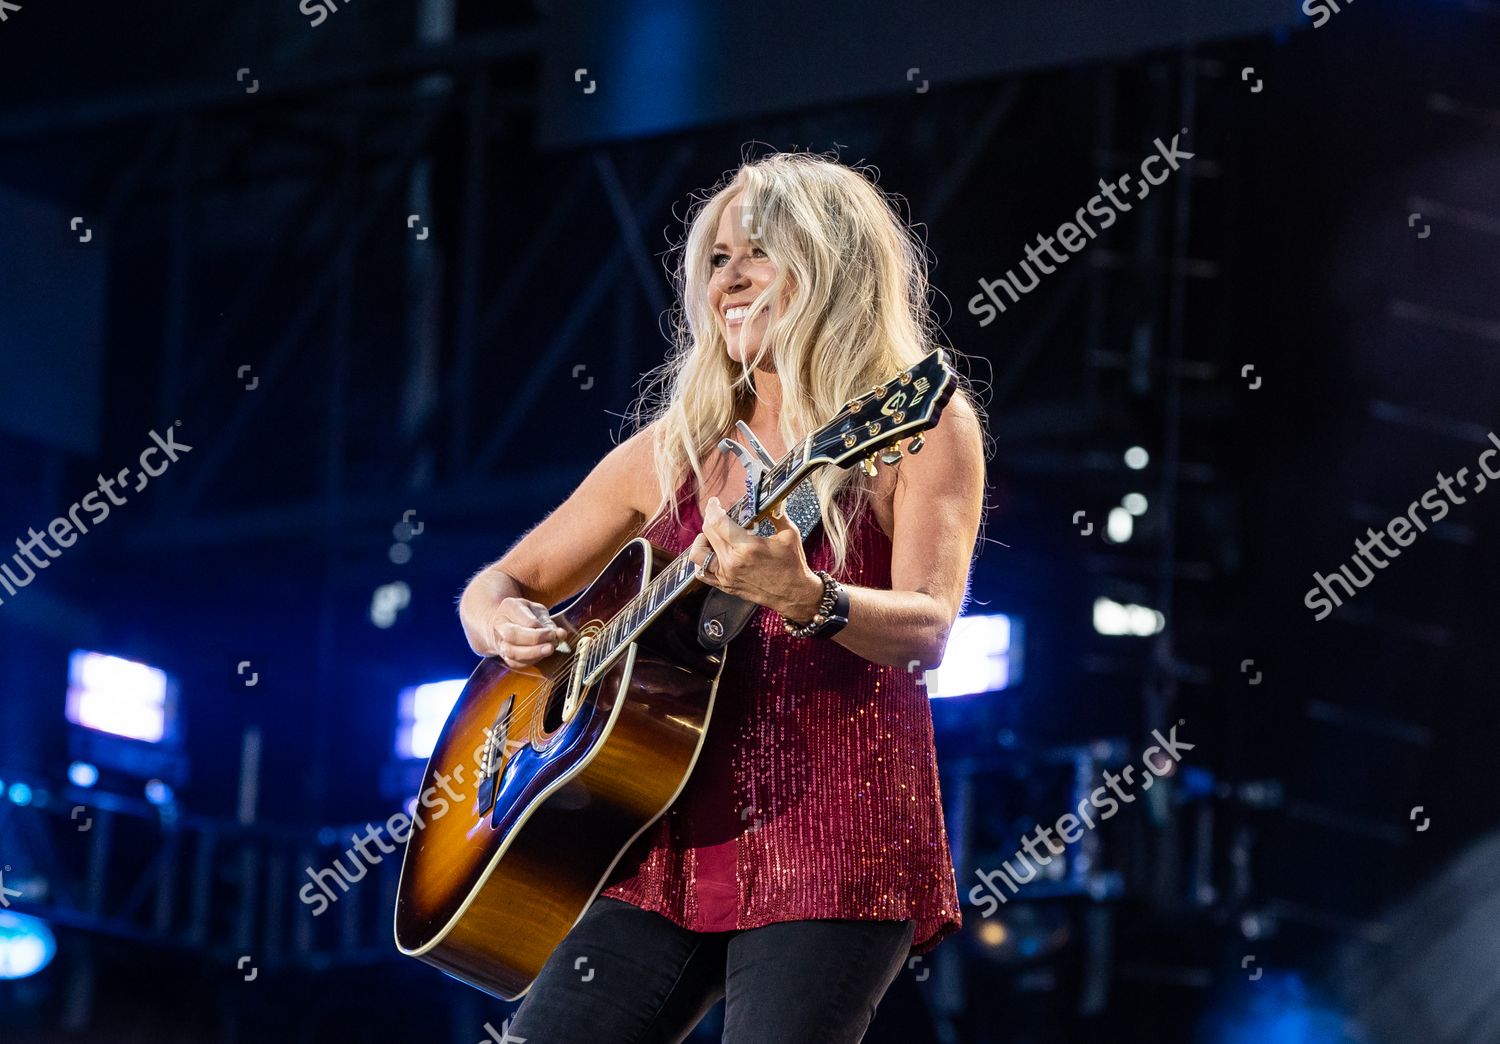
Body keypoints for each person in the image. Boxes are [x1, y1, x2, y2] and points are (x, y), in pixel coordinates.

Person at [457, 151, 988, 1043]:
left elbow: (929, 629)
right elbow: (500, 582)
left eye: (760, 253)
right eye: (716, 260)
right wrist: (501, 618)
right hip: (652, 839)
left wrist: (808, 596)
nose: (728, 280)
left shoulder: (919, 424)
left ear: (832, 266)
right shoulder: (676, 448)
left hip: (833, 834)